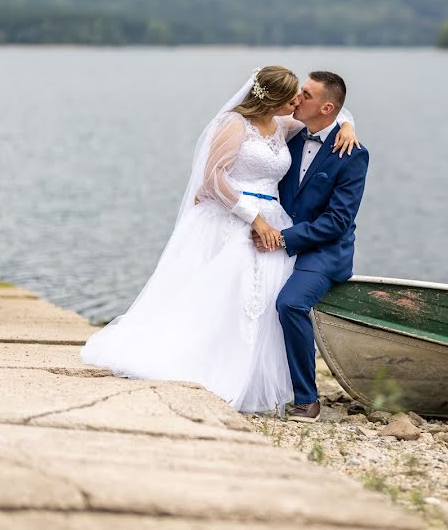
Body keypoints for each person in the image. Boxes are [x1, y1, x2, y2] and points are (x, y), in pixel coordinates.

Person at [81, 66, 360, 413]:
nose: (297, 100)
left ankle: (260, 379)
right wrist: (254, 219)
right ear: (274, 99)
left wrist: (349, 125)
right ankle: (212, 368)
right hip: (237, 219)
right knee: (223, 294)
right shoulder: (234, 125)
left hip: (275, 225)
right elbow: (213, 176)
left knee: (263, 301)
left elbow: (334, 111)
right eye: (294, 95)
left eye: (303, 96)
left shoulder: (285, 126)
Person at [251, 71, 368, 423]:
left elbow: (338, 221)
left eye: (305, 94)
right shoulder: (291, 136)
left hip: (323, 251)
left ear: (326, 107)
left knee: (289, 303)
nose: (296, 99)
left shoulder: (352, 155)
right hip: (276, 236)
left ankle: (307, 399)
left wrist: (285, 239)